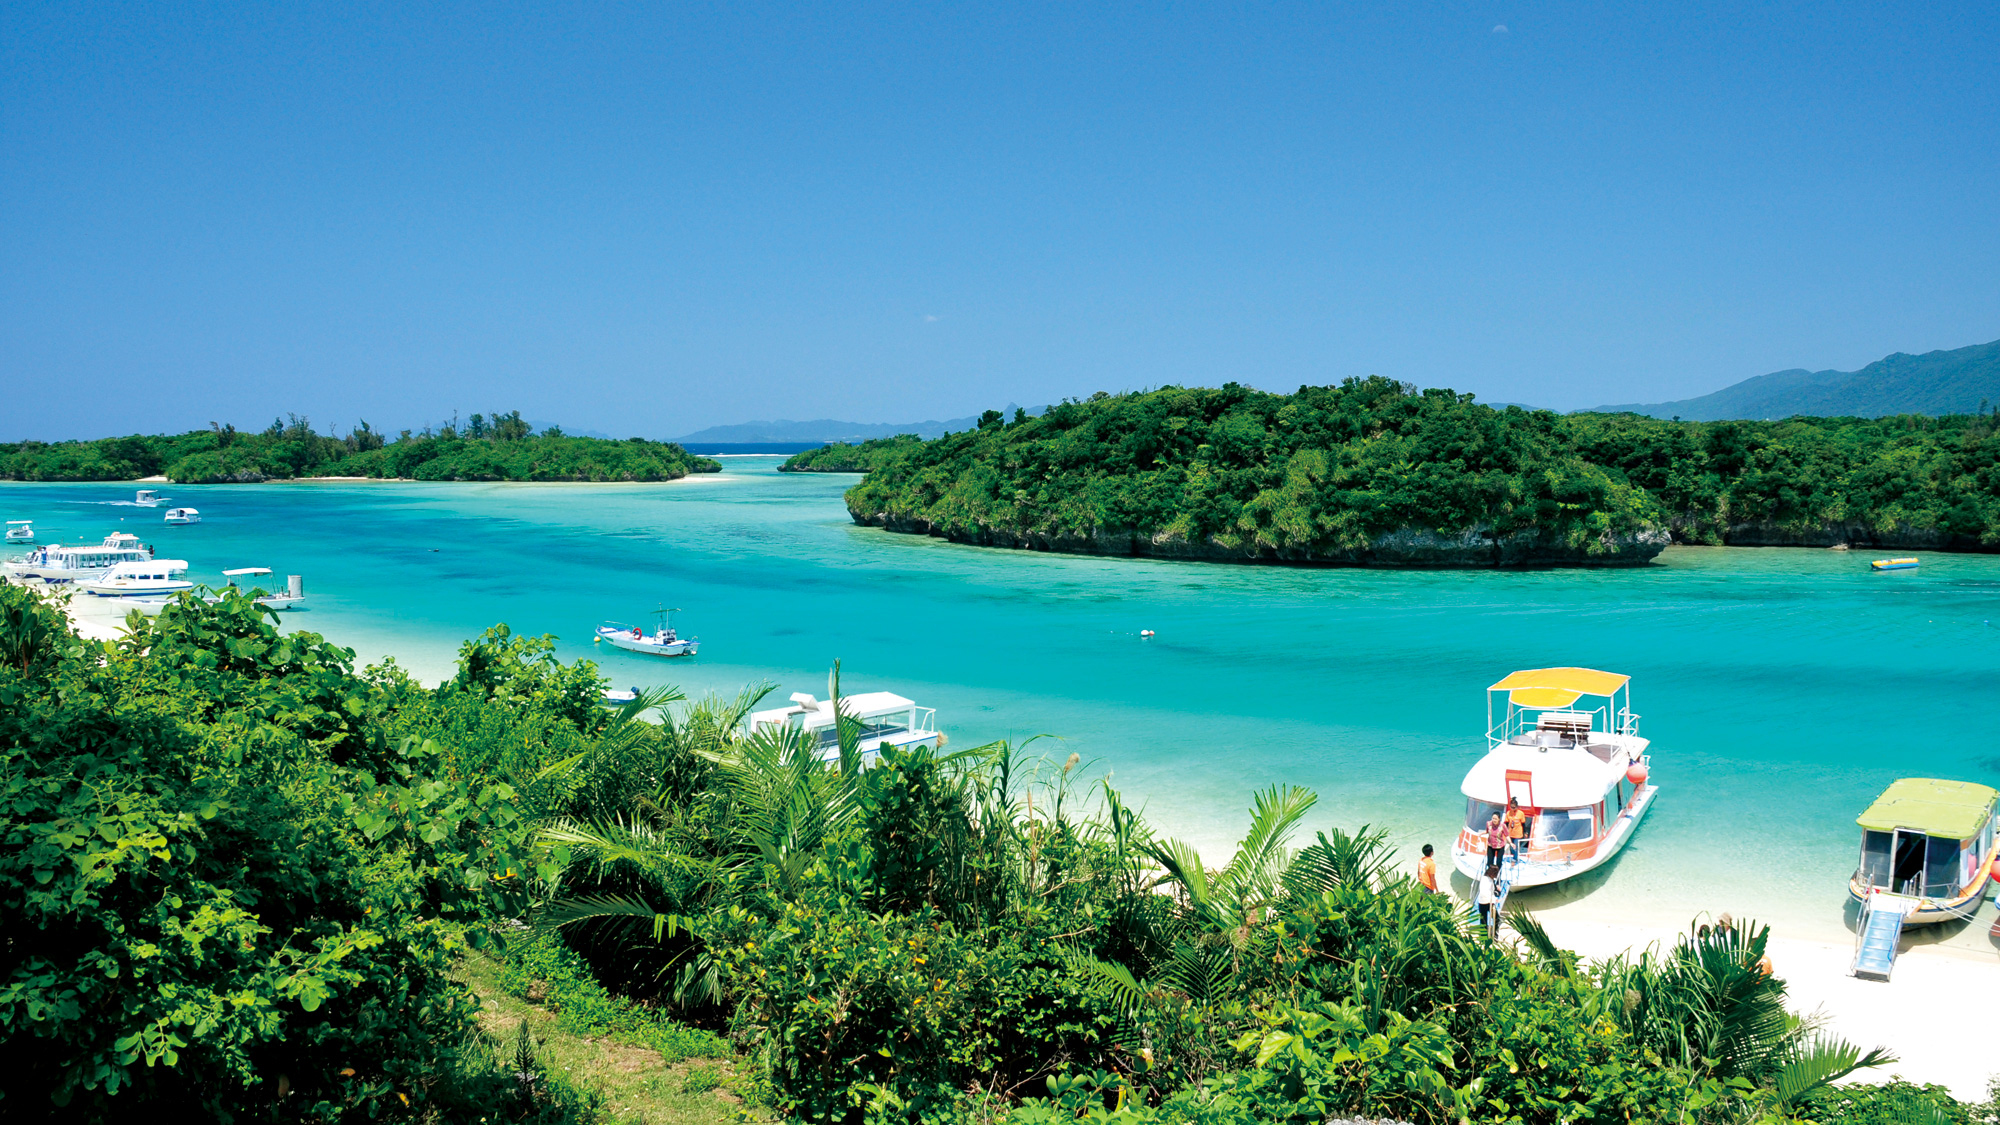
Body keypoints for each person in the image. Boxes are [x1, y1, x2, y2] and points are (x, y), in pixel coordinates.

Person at [1475, 863, 1500, 934]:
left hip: (1483, 902)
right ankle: (1494, 934)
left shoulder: (1485, 878)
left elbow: (1490, 888)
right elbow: (1485, 892)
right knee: (1496, 919)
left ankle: (1484, 934)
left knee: (1483, 920)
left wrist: (1495, 887)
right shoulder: (1486, 880)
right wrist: (1494, 899)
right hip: (1487, 902)